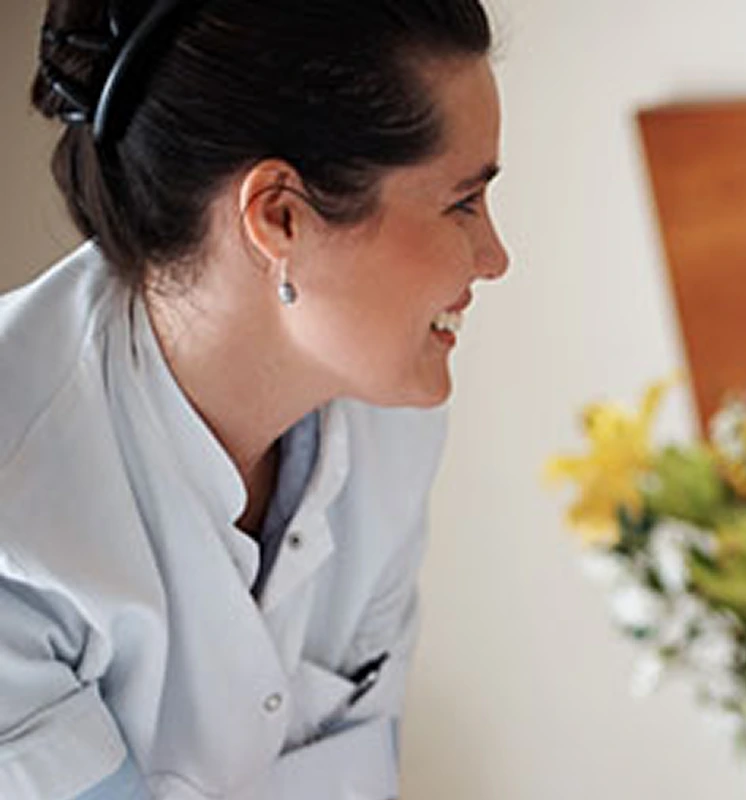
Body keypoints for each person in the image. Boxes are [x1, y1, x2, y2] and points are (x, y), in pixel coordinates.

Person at [1, 0, 505, 797]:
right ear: (279, 215)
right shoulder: (17, 506)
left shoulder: (390, 426)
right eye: (462, 203)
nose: (494, 257)